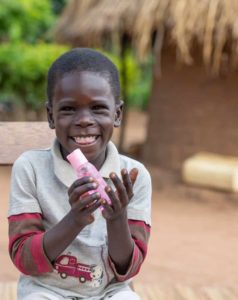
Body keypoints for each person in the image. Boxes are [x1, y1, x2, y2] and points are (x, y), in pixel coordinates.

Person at [8, 48, 152, 300]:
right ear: (51, 116)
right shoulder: (29, 168)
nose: (84, 120)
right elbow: (24, 259)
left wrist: (117, 218)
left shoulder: (133, 176)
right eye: (68, 110)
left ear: (117, 114)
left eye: (98, 108)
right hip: (46, 290)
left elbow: (128, 268)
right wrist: (75, 219)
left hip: (110, 290)